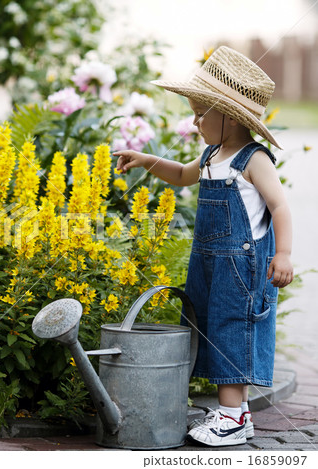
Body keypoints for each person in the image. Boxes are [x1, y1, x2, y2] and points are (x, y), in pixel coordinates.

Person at [114, 46, 294, 447]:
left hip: (241, 267)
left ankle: (231, 416)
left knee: (232, 329)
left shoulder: (252, 158)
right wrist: (146, 160)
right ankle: (236, 412)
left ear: (229, 115)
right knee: (207, 327)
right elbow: (180, 174)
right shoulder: (213, 154)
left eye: (200, 114)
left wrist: (282, 254)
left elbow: (280, 206)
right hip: (209, 262)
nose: (194, 122)